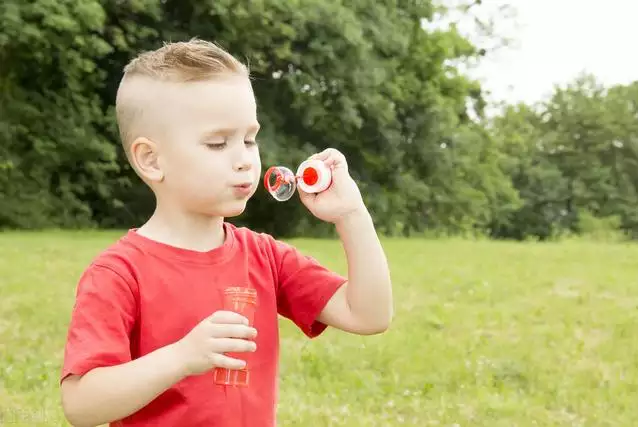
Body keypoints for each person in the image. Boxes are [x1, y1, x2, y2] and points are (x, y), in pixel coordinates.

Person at [59, 38, 393, 427]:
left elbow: (369, 314)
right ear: (151, 159)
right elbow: (81, 405)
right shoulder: (118, 274)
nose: (244, 160)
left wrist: (351, 214)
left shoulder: (265, 257)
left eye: (249, 139)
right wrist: (181, 356)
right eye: (218, 143)